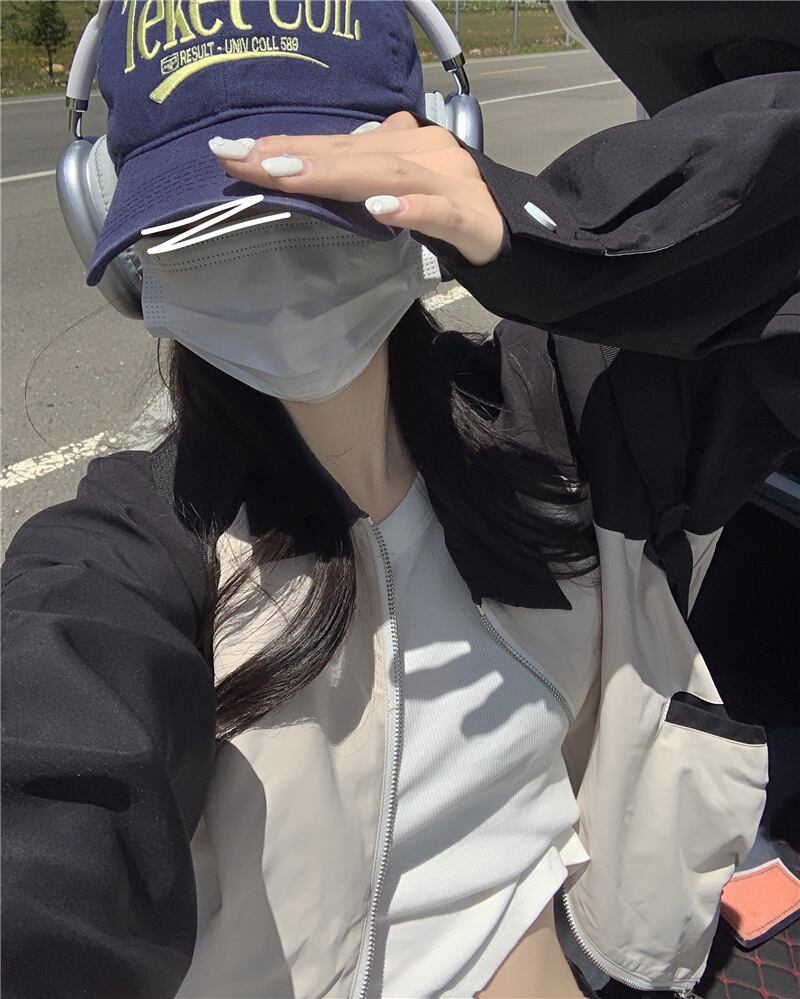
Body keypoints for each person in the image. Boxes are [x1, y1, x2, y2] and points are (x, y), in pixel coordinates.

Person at [2, 2, 799, 998]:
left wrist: (542, 238)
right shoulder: (114, 564)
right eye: (209, 218)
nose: (277, 257)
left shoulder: (566, 418)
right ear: (121, 232)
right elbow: (41, 826)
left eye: (330, 192)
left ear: (435, 160)